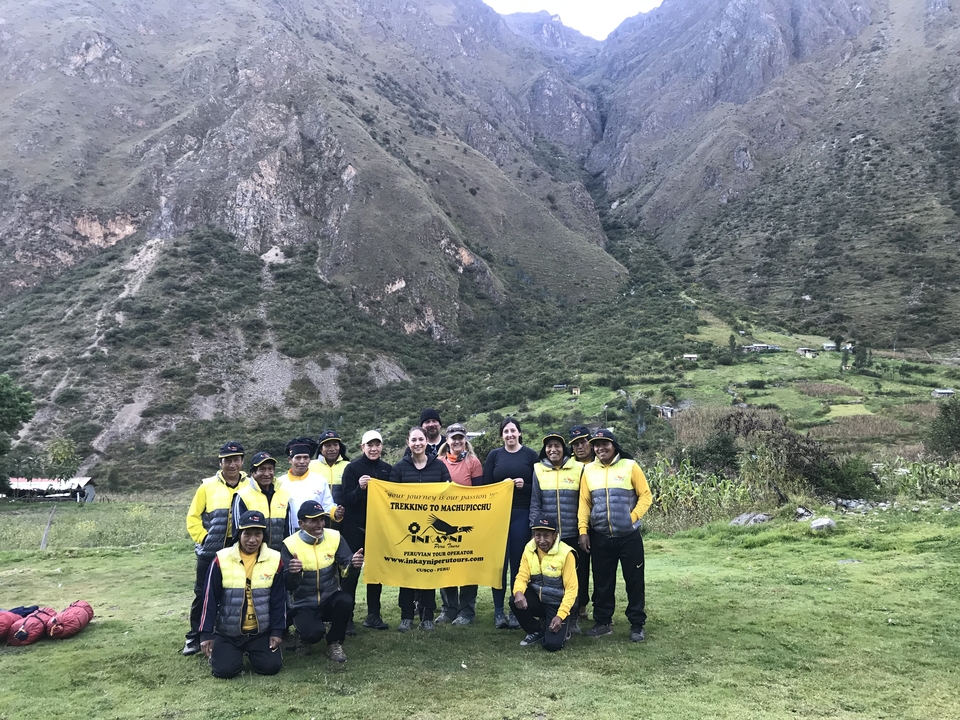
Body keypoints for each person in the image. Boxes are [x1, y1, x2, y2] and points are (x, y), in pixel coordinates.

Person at [578, 429, 652, 642]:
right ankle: (603, 623)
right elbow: (584, 503)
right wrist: (583, 531)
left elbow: (645, 495)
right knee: (602, 583)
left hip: (629, 537)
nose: (600, 448)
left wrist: (632, 517)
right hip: (601, 536)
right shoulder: (588, 470)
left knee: (634, 582)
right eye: (596, 445)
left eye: (605, 444)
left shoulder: (630, 466)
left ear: (614, 445)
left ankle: (637, 624)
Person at [198, 510, 286, 678]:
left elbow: (279, 599)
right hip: (228, 633)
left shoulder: (275, 559)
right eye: (247, 534)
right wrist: (205, 634)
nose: (252, 540)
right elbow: (209, 599)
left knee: (271, 667)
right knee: (224, 671)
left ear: (263, 536)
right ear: (239, 534)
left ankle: (254, 652)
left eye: (257, 534)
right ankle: (224, 654)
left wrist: (276, 631)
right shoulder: (221, 559)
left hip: (260, 633)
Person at [183, 441, 247, 656]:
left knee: (234, 592)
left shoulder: (250, 485)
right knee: (203, 594)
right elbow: (193, 517)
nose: (232, 464)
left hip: (239, 549)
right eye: (227, 460)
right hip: (210, 550)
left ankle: (229, 634)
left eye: (236, 460)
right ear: (220, 462)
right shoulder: (207, 486)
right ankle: (194, 637)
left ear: (242, 461)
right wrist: (204, 539)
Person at [281, 500, 364, 663]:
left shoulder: (335, 537)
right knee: (314, 633)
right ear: (301, 524)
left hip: (329, 598)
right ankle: (303, 637)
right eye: (313, 521)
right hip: (303, 604)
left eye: (321, 519)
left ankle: (334, 642)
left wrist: (354, 565)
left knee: (345, 601)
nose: (319, 524)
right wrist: (293, 573)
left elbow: (346, 569)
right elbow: (287, 584)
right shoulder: (289, 544)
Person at [389, 426, 452, 631]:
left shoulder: (439, 466)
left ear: (426, 442)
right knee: (407, 573)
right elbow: (389, 498)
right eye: (413, 440)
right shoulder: (399, 468)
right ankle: (406, 616)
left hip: (431, 531)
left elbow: (449, 494)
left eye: (420, 439)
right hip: (406, 530)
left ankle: (427, 616)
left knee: (428, 572)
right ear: (408, 443)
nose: (417, 443)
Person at [479, 416, 538, 630]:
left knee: (518, 564)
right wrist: (500, 487)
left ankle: (515, 609)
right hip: (498, 516)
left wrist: (524, 485)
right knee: (499, 565)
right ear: (501, 435)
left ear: (519, 433)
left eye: (513, 431)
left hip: (521, 513)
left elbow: (538, 488)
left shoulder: (530, 455)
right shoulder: (494, 456)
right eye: (506, 431)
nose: (510, 434)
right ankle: (498, 611)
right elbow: (485, 487)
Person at [529, 431, 585, 634]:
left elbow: (584, 501)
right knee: (549, 577)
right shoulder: (538, 469)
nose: (553, 450)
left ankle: (574, 616)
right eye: (549, 446)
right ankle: (548, 615)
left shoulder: (578, 468)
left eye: (557, 446)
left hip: (572, 532)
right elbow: (535, 503)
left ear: (564, 449)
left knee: (576, 577)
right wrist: (535, 531)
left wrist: (583, 529)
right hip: (548, 536)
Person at [340, 430, 393, 631]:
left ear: (381, 447)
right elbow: (346, 499)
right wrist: (359, 488)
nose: (373, 449)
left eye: (377, 445)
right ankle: (347, 618)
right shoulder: (352, 468)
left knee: (375, 574)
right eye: (369, 445)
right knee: (351, 573)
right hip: (355, 529)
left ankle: (373, 615)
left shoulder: (388, 469)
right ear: (362, 447)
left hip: (377, 529)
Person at [436, 423, 484, 625]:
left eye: (460, 438)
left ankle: (466, 611)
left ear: (465, 440)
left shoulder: (473, 462)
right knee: (445, 565)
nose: (457, 441)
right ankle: (448, 609)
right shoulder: (438, 462)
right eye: (453, 438)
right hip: (444, 522)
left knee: (467, 566)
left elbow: (479, 494)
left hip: (467, 522)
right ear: (447, 440)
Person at [510, 516, 577, 651]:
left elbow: (571, 589)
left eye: (546, 535)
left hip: (557, 604)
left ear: (555, 535)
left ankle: (563, 623)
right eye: (537, 535)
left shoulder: (566, 553)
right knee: (514, 600)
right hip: (539, 599)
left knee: (552, 645)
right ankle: (536, 630)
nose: (541, 540)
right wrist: (518, 593)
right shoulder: (529, 549)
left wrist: (560, 615)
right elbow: (522, 576)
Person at [280, 437, 343, 535]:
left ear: (310, 460)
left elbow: (327, 505)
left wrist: (335, 512)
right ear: (290, 460)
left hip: (315, 530)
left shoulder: (320, 481)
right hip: (289, 532)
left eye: (306, 457)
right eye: (298, 457)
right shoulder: (280, 483)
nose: (302, 461)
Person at [232, 452, 291, 552]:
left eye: (270, 469)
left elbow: (289, 530)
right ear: (253, 473)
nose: (267, 474)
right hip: (253, 555)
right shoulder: (242, 496)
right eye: (262, 469)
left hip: (278, 555)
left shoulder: (284, 495)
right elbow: (238, 532)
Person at [568, 424, 595, 623]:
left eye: (583, 442)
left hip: (601, 523)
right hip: (577, 524)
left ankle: (602, 611)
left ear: (591, 443)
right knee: (580, 567)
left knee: (602, 570)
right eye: (575, 443)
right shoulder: (568, 465)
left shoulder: (601, 461)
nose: (579, 446)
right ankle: (580, 606)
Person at [309, 430, 350, 527]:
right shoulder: (310, 466)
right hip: (316, 521)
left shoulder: (349, 466)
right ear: (320, 448)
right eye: (327, 445)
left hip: (344, 520)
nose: (332, 449)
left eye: (335, 445)